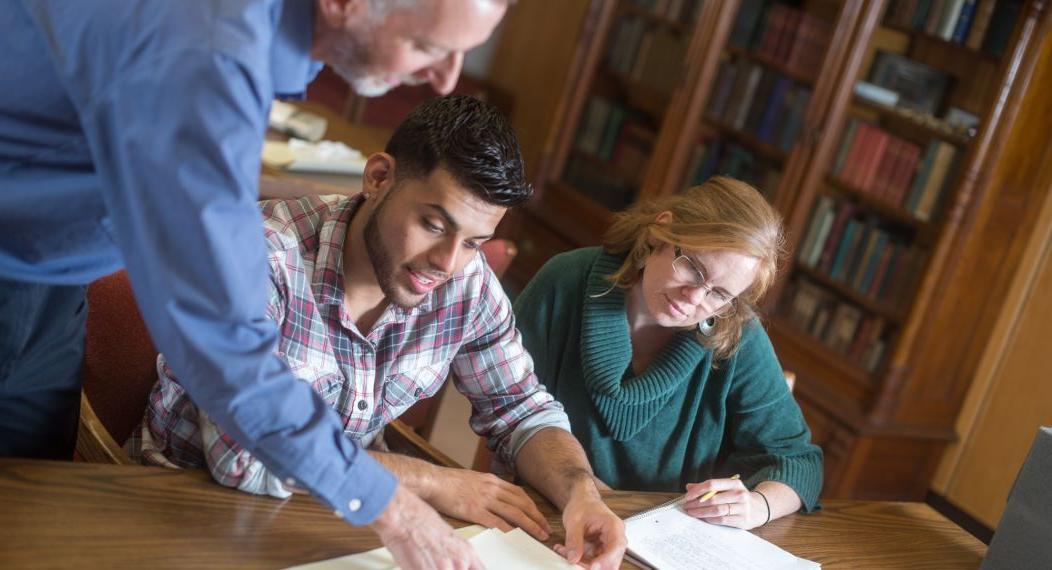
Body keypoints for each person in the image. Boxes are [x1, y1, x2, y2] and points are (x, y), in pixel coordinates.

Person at [1, 0, 519, 567]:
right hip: (16, 269)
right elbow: (224, 338)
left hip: (47, 283)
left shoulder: (247, 42)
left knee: (23, 519)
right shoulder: (209, 51)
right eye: (428, 46)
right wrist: (388, 504)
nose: (445, 79)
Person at [133, 95, 627, 569]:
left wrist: (581, 492)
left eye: (475, 243)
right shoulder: (258, 259)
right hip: (181, 504)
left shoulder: (464, 280)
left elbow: (520, 409)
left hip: (345, 518)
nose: (447, 263)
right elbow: (243, 459)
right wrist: (429, 482)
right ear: (378, 177)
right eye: (433, 224)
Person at [513, 177, 823, 530]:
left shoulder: (736, 332)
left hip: (669, 538)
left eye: (719, 294)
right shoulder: (564, 282)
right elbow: (508, 413)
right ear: (659, 234)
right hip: (552, 513)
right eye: (693, 267)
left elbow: (799, 461)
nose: (694, 298)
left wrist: (758, 505)